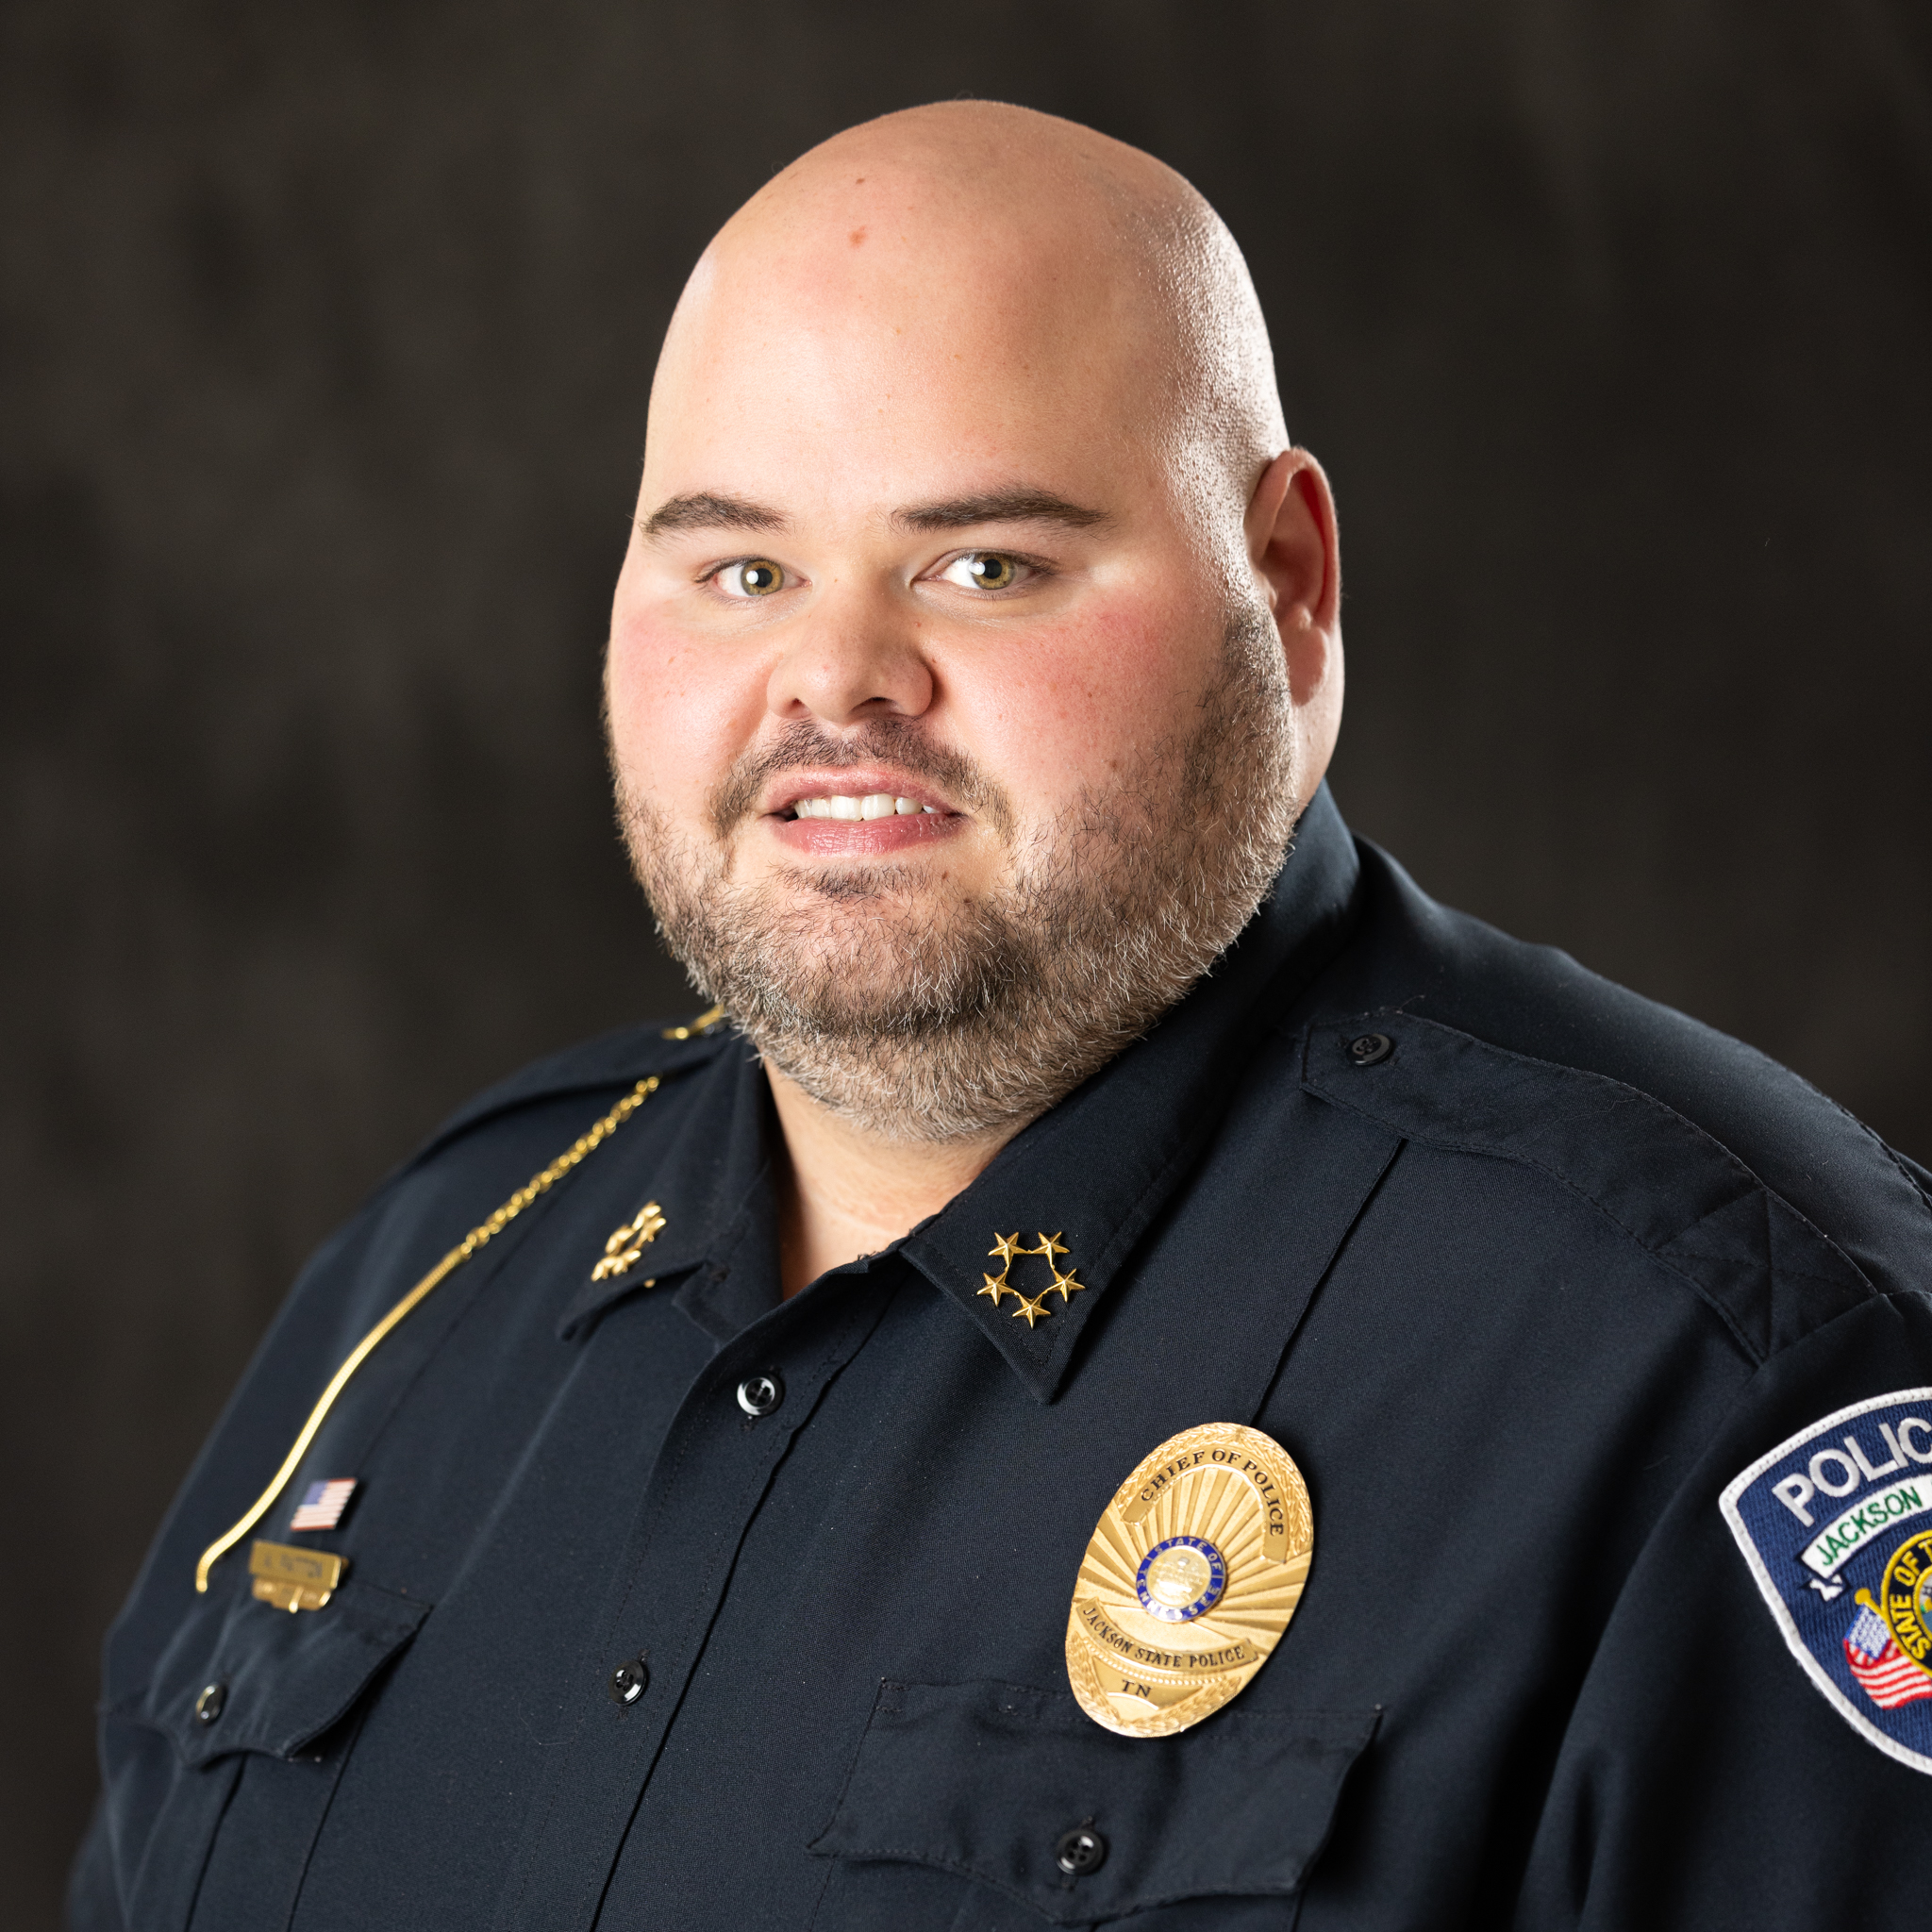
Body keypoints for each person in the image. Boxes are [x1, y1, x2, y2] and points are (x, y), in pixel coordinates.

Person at [71, 101, 1932, 1932]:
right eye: (741, 569)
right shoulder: (423, 1288)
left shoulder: (1723, 1364)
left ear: (1284, 586)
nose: (835, 680)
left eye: (988, 564)